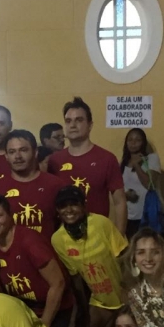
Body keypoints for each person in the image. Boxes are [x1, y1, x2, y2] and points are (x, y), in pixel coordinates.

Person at [51, 186, 127, 327]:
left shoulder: (101, 223)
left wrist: (130, 294)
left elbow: (123, 257)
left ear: (83, 206)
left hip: (123, 294)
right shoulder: (58, 239)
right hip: (99, 299)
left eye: (74, 204)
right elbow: (76, 276)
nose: (69, 210)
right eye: (63, 206)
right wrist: (83, 309)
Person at [0, 195, 73, 327]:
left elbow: (58, 283)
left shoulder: (29, 241)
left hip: (52, 309)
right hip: (23, 310)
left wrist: (45, 323)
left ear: (10, 216)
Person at [48, 97, 127, 235]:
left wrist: (119, 238)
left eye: (79, 120)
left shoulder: (106, 158)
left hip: (98, 235)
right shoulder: (55, 161)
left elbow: (119, 202)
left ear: (90, 125)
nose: (73, 125)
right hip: (64, 237)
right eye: (68, 121)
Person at [0, 129, 64, 240]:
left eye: (23, 150)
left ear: (35, 152)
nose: (17, 156)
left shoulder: (56, 185)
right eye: (12, 152)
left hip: (48, 249)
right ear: (6, 156)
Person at [120, 128, 164, 239]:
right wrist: (126, 195)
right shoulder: (123, 164)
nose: (133, 143)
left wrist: (136, 165)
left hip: (150, 215)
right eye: (130, 140)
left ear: (143, 142)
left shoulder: (151, 159)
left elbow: (149, 184)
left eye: (137, 140)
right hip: (130, 217)